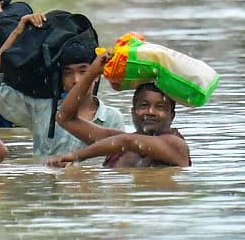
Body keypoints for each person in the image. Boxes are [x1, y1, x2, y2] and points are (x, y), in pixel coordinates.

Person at [0, 10, 125, 157]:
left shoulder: (113, 118)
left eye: (83, 71)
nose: (76, 80)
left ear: (97, 74)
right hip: (46, 182)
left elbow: (119, 164)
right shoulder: (42, 110)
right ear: (59, 78)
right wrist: (17, 33)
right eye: (68, 72)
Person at [47, 53, 191, 168]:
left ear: (172, 115)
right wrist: (92, 73)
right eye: (144, 105)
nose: (150, 111)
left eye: (160, 107)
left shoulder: (176, 145)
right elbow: (65, 118)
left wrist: (77, 156)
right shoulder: (115, 143)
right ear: (133, 112)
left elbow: (128, 141)